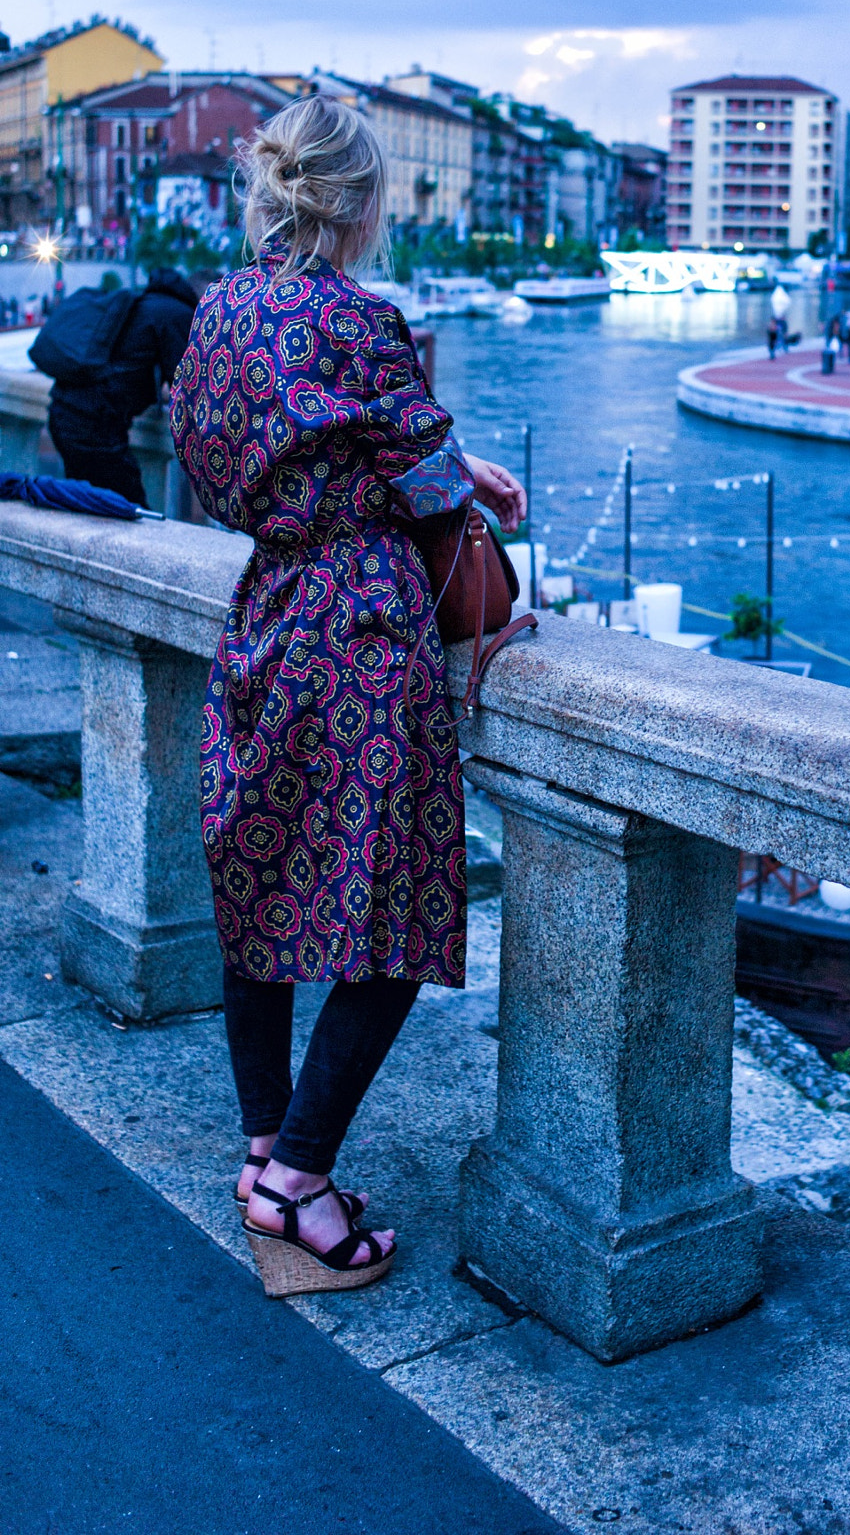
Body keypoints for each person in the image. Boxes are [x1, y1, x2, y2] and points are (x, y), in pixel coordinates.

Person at [169, 93, 526, 1297]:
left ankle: (267, 1144)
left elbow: (229, 458)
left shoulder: (219, 312)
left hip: (263, 613)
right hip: (362, 636)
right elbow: (431, 494)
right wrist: (461, 471)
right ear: (363, 203)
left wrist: (416, 461)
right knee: (390, 907)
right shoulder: (362, 320)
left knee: (257, 885)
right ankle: (298, 1181)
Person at [46, 268, 206, 506]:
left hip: (65, 414)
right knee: (132, 515)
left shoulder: (150, 303)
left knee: (93, 510)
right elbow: (188, 388)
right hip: (94, 428)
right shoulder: (179, 315)